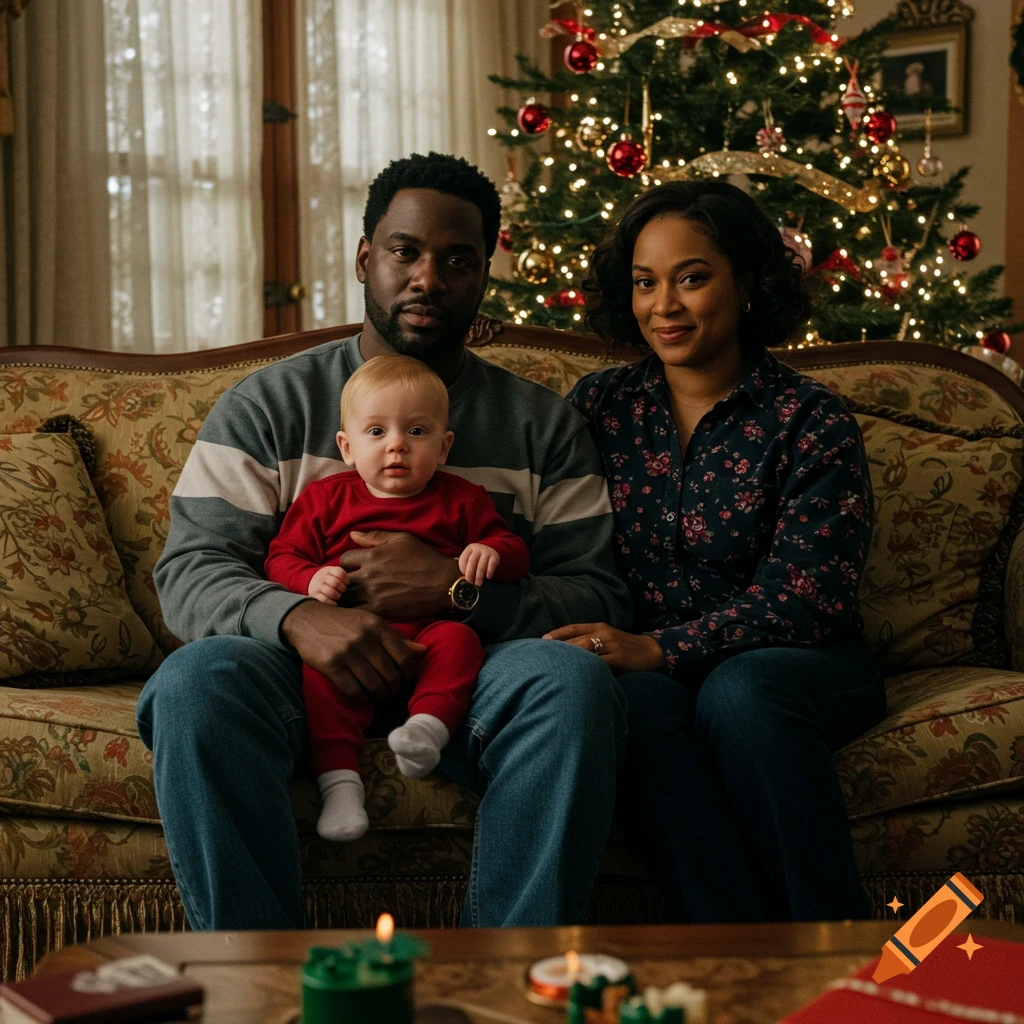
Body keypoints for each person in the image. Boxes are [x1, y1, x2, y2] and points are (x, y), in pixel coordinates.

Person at [138, 152, 632, 930]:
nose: (428, 279)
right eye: (406, 251)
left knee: (571, 685)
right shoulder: (265, 407)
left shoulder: (545, 427)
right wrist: (301, 618)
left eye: (457, 260)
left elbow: (597, 593)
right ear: (367, 257)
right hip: (296, 677)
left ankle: (507, 988)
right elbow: (190, 573)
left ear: (483, 276)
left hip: (475, 677)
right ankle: (258, 987)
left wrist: (458, 592)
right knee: (196, 681)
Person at [546, 180, 886, 922]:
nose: (662, 305)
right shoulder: (600, 407)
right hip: (648, 670)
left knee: (741, 693)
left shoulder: (810, 419)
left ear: (748, 284)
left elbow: (808, 597)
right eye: (644, 283)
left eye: (691, 278)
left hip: (802, 661)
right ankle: (736, 954)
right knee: (623, 703)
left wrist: (661, 648)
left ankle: (843, 946)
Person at [264, 354, 530, 843]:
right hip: (347, 641)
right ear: (346, 447)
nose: (397, 447)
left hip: (430, 635)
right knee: (318, 676)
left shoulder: (464, 499)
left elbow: (514, 553)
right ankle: (340, 785)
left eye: (416, 432)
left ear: (445, 446)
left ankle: (427, 730)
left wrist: (488, 551)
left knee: (460, 642)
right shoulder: (325, 500)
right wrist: (309, 580)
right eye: (376, 433)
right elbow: (281, 557)